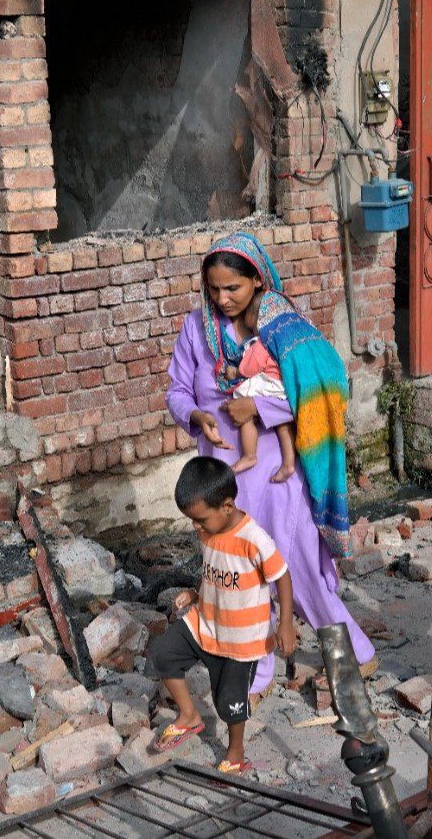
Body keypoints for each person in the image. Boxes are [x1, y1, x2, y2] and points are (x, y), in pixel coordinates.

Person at [166, 232, 378, 699]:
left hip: (278, 479)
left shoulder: (283, 327)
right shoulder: (195, 331)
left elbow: (325, 387)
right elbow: (178, 391)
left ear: (257, 282)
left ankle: (354, 654)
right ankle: (256, 675)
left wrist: (260, 411)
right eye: (214, 289)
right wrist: (196, 415)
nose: (222, 299)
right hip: (225, 482)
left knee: (296, 568)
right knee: (240, 580)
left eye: (233, 289)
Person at [148, 457, 297, 773]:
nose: (196, 527)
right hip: (205, 622)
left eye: (200, 520)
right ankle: (189, 715)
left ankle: (236, 754)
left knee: (229, 701)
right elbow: (214, 570)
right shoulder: (207, 532)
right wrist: (196, 593)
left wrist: (285, 623)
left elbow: (282, 576)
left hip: (241, 640)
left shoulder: (254, 539)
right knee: (162, 653)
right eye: (192, 520)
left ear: (227, 507)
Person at [227, 331, 295, 483]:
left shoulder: (262, 343)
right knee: (282, 422)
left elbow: (250, 368)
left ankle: (249, 455)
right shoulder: (286, 337)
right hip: (285, 384)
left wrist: (236, 372)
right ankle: (289, 464)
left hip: (271, 381)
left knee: (241, 396)